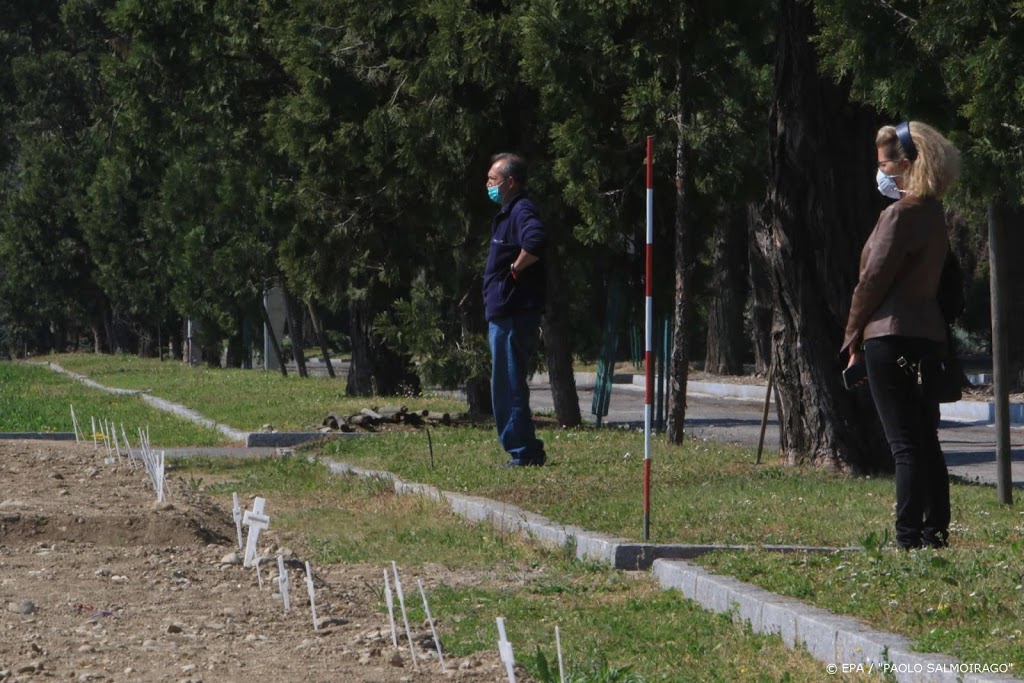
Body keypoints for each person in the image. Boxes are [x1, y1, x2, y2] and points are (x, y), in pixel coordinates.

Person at [842, 121, 961, 550]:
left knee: (904, 445)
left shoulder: (898, 215)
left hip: (889, 337)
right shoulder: (934, 213)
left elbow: (871, 282)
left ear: (906, 165)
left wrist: (852, 336)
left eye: (885, 165)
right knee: (927, 440)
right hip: (927, 336)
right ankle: (935, 534)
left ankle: (907, 539)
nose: (882, 174)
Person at [482, 153, 548, 467]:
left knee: (509, 384)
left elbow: (535, 240)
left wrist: (514, 271)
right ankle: (522, 446)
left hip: (512, 312)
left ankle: (524, 451)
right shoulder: (507, 214)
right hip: (502, 311)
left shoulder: (521, 210)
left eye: (493, 181)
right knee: (504, 383)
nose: (488, 186)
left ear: (510, 182)